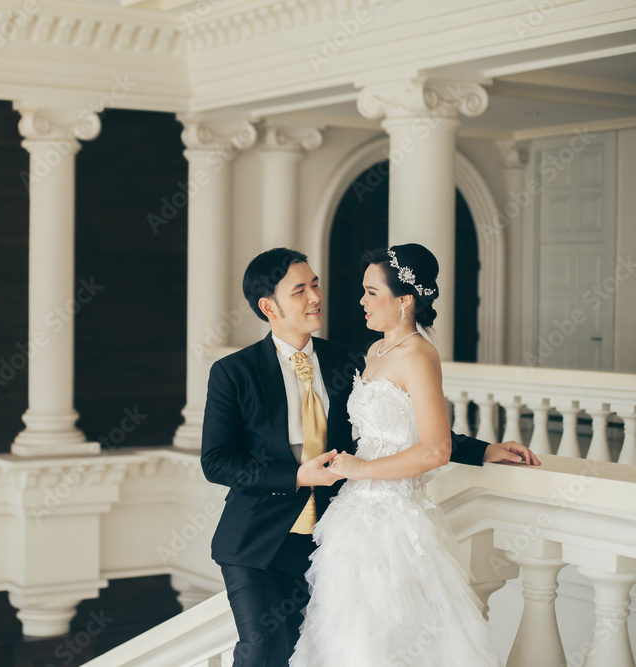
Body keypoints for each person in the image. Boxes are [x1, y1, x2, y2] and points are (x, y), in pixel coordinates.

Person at [200, 247, 538, 667]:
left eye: (316, 284)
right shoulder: (234, 372)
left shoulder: (347, 359)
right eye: (300, 290)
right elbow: (217, 461)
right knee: (262, 652)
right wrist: (297, 476)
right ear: (269, 306)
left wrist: (484, 449)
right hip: (258, 544)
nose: (315, 297)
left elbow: (400, 427)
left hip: (331, 539)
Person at [288, 243, 519, 666]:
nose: (361, 301)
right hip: (353, 517)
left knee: (395, 635)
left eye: (372, 292)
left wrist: (364, 468)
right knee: (350, 636)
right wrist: (486, 448)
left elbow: (435, 448)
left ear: (405, 300)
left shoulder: (419, 355)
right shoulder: (374, 352)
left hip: (395, 521)